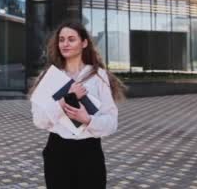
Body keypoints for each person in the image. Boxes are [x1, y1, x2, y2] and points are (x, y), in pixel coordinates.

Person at [29, 21, 126, 189]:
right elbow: (39, 120)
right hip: (57, 151)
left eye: (71, 39)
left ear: (84, 43)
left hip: (89, 152)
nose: (65, 44)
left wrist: (88, 119)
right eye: (61, 39)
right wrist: (65, 100)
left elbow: (111, 122)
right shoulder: (50, 77)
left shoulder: (98, 76)